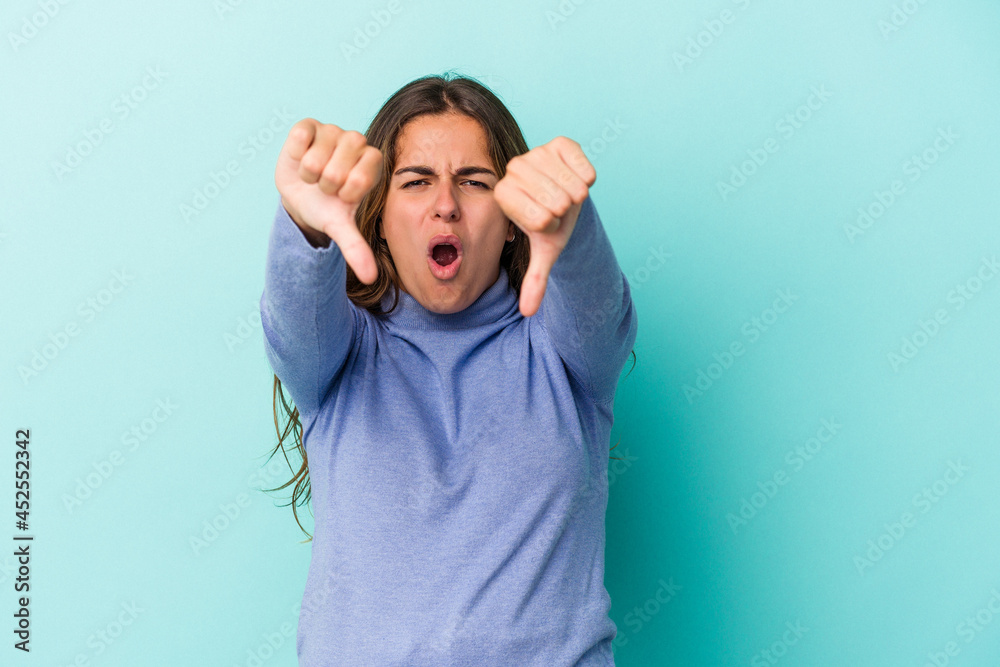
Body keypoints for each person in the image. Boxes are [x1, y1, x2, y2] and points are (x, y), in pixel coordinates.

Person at [259, 72, 638, 666]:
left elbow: (597, 309)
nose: (446, 206)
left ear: (513, 213)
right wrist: (308, 226)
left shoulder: (566, 353)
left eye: (475, 181)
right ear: (379, 216)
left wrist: (573, 230)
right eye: (416, 182)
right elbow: (293, 326)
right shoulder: (336, 354)